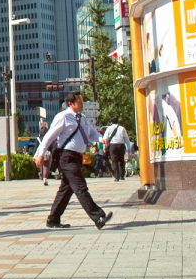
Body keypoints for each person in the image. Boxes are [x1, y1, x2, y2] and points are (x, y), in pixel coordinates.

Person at [37, 92, 111, 229]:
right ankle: (98, 216)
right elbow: (49, 136)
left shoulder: (82, 117)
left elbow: (91, 133)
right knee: (80, 187)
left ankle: (53, 219)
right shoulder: (63, 117)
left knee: (66, 189)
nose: (82, 104)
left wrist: (101, 139)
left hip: (77, 157)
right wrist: (41, 153)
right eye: (80, 102)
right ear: (70, 104)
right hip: (66, 157)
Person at [102, 116, 131, 182]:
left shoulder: (109, 129)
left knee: (114, 161)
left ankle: (116, 176)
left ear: (111, 122)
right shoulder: (122, 128)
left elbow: (105, 138)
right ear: (118, 121)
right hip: (121, 145)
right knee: (121, 160)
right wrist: (128, 147)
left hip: (112, 145)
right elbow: (126, 138)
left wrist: (104, 148)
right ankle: (122, 176)